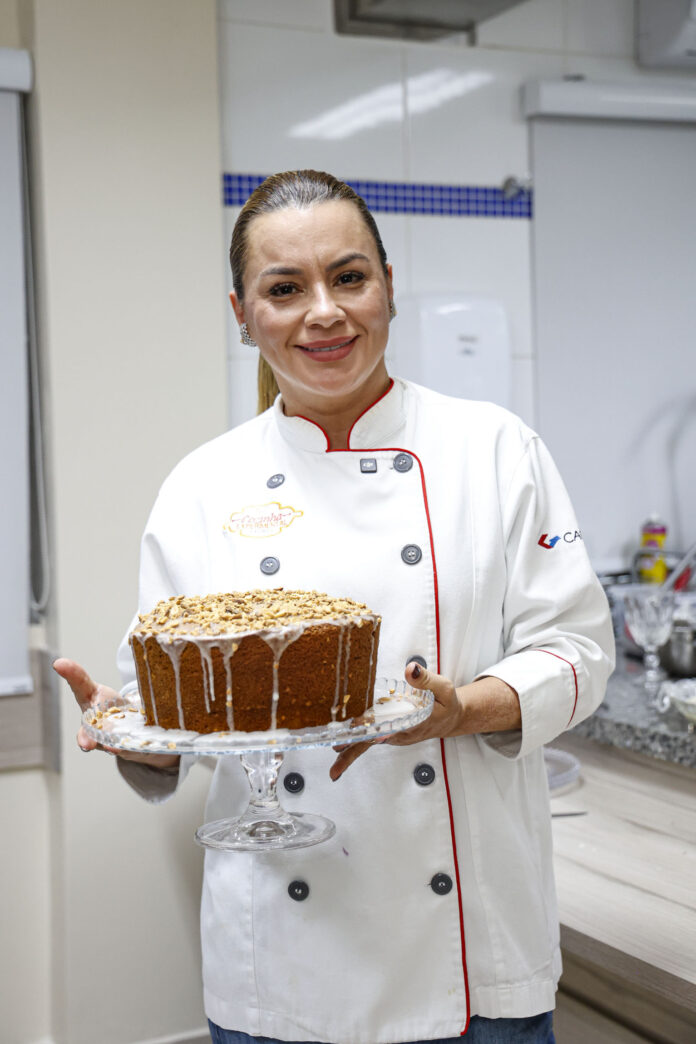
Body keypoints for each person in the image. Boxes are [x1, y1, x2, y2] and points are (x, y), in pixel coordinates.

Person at [55, 169, 615, 1044]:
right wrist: (132, 737)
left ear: (388, 285)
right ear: (243, 315)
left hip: (472, 958)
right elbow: (174, 719)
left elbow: (577, 650)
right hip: (277, 963)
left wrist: (462, 711)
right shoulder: (204, 485)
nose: (324, 312)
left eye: (349, 277)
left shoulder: (495, 450)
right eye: (285, 289)